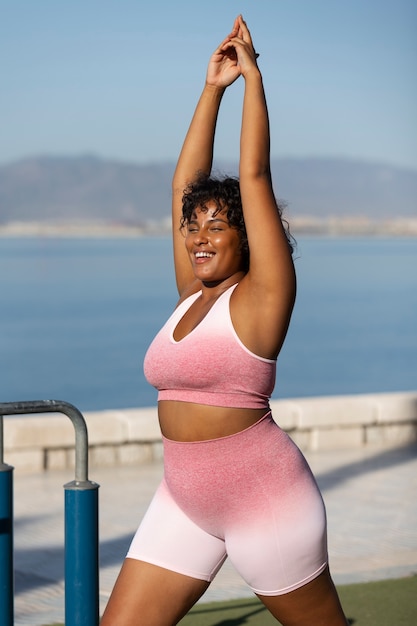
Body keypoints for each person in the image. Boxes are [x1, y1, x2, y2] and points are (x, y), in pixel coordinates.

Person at [101, 15, 348, 626]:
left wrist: (253, 81)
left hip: (265, 502)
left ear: (247, 238)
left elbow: (256, 175)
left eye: (219, 225)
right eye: (195, 225)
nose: (201, 237)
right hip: (183, 501)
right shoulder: (192, 294)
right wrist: (211, 88)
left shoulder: (263, 298)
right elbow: (183, 184)